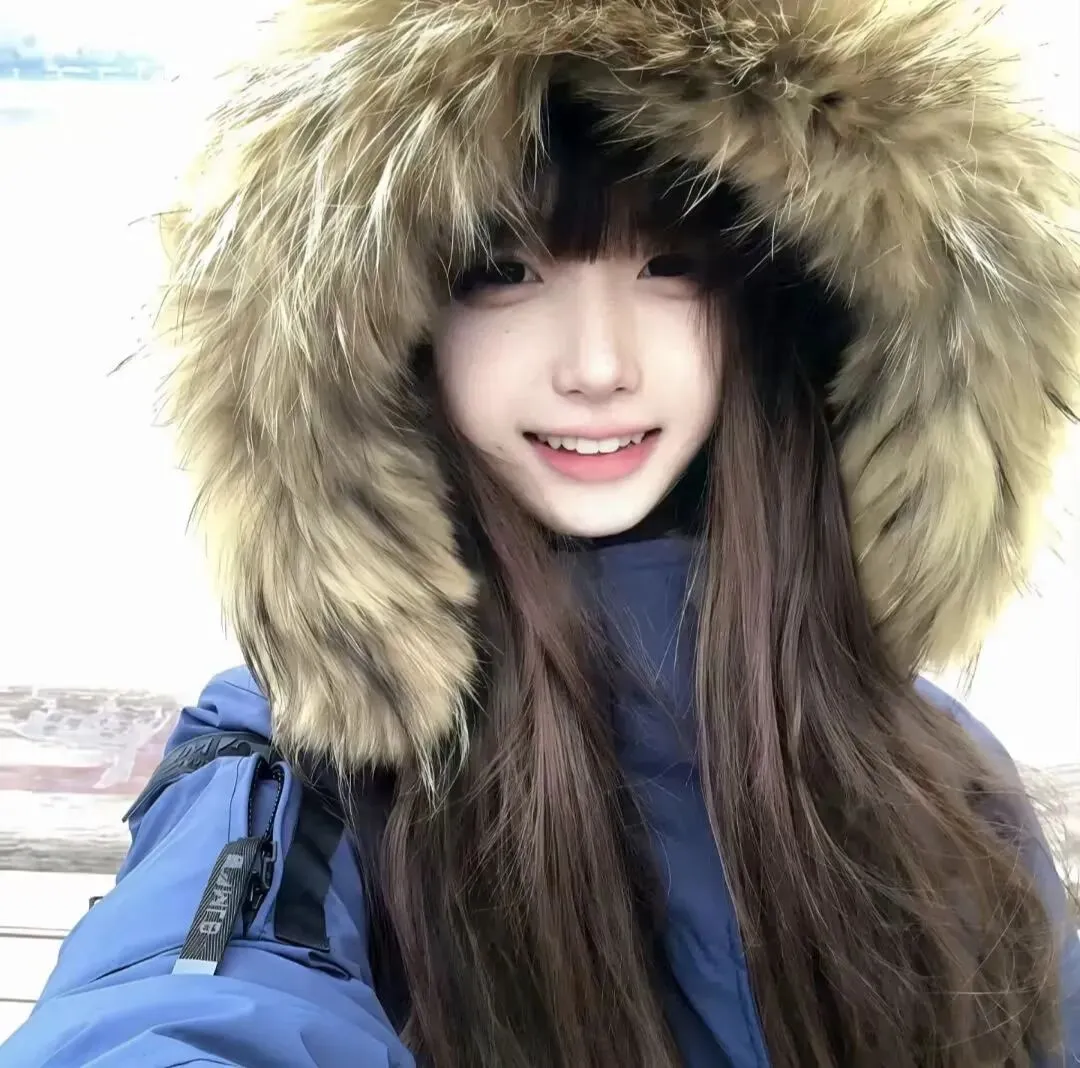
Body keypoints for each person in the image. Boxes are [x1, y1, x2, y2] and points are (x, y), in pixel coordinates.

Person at [5, 0, 1080, 1065]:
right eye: (504, 273)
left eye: (671, 267)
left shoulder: (928, 760)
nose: (598, 366)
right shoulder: (312, 747)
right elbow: (187, 1003)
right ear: (393, 332)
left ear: (780, 304)